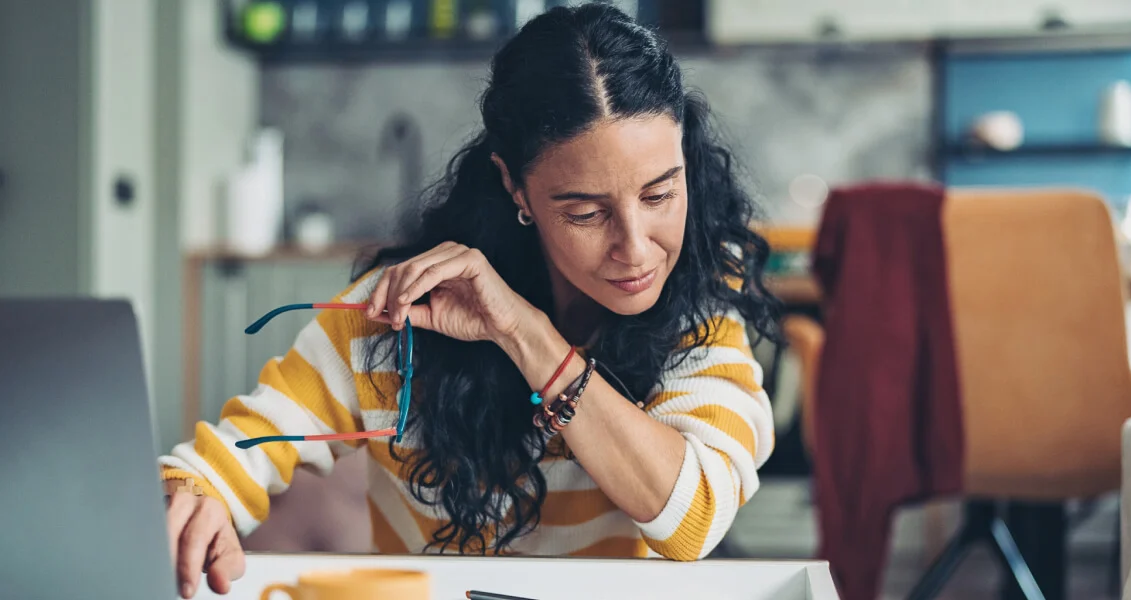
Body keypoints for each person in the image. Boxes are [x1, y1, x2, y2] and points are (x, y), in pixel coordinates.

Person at [158, 3, 784, 598]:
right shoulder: (404, 311)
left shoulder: (701, 314)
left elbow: (693, 518)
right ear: (515, 185)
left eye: (659, 196)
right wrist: (195, 495)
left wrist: (527, 335)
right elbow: (237, 452)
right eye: (586, 212)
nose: (636, 248)